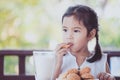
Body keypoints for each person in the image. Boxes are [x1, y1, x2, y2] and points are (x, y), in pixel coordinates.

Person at [52, 5, 116, 80]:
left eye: (76, 31)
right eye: (65, 30)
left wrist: (110, 78)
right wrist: (58, 64)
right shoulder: (58, 59)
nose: (68, 36)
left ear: (91, 34)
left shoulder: (101, 60)